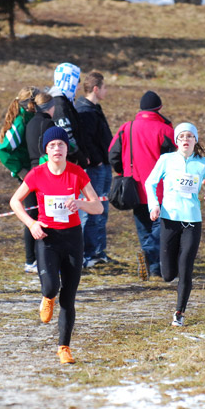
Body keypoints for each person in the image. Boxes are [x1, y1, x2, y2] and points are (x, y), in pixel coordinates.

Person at [9, 126, 103, 364]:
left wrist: (81, 204)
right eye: (52, 146)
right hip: (47, 238)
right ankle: (47, 296)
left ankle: (64, 348)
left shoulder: (77, 173)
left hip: (72, 238)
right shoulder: (37, 174)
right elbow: (15, 202)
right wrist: (31, 224)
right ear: (46, 151)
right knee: (51, 286)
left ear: (66, 149)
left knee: (68, 299)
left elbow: (98, 207)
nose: (57, 149)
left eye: (60, 145)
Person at [145, 122, 205, 327]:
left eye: (189, 136)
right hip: (169, 220)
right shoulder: (166, 160)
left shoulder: (204, 163)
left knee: (186, 268)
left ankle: (179, 313)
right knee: (168, 274)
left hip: (192, 221)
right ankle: (167, 269)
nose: (185, 140)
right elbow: (150, 183)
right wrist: (154, 205)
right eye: (181, 137)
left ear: (195, 140)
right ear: (176, 140)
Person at [109, 90, 175, 280]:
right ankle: (148, 255)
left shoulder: (126, 127)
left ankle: (153, 269)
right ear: (159, 108)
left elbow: (112, 154)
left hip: (134, 188)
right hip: (161, 190)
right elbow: (175, 159)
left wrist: (123, 172)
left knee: (144, 227)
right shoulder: (166, 130)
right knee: (162, 227)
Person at [0, 86, 39, 273]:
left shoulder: (30, 117)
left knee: (37, 213)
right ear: (30, 103)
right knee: (31, 215)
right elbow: (2, 149)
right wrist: (20, 171)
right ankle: (31, 261)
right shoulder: (21, 121)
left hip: (33, 173)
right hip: (26, 176)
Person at [75, 70, 115, 267]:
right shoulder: (85, 111)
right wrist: (96, 161)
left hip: (104, 166)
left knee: (102, 210)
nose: (107, 91)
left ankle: (98, 251)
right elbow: (86, 140)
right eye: (105, 87)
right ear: (96, 89)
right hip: (96, 169)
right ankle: (88, 252)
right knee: (92, 210)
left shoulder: (94, 108)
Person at [49, 62, 88, 167]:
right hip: (66, 164)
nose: (79, 88)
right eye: (77, 83)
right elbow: (66, 136)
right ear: (69, 82)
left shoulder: (67, 102)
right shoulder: (59, 104)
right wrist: (80, 158)